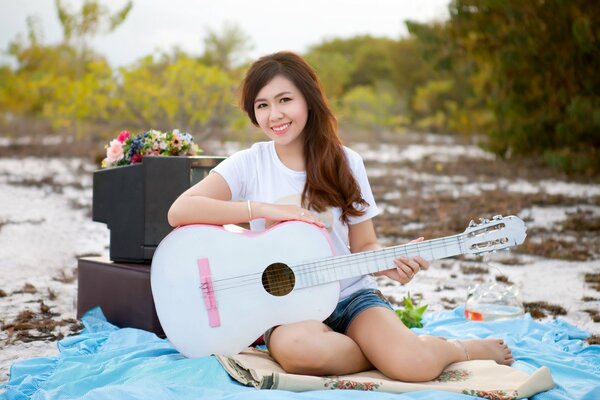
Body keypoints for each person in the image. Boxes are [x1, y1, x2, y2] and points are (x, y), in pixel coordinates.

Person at [168, 51, 514, 382]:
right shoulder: (249, 163)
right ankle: (384, 353)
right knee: (299, 352)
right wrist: (262, 209)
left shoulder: (346, 162)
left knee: (414, 365)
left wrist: (386, 264)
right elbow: (180, 211)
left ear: (308, 100)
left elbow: (365, 243)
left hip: (350, 295)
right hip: (287, 309)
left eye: (284, 100)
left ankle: (453, 349)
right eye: (262, 105)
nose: (274, 114)